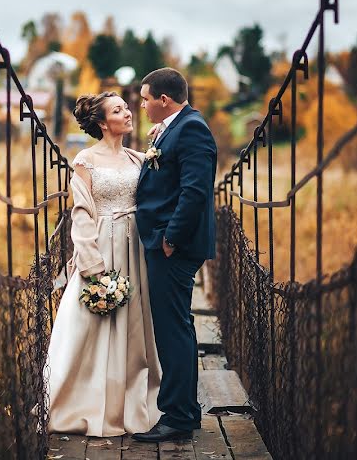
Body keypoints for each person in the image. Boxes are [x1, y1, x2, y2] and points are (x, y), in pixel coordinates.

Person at [46, 91, 162, 437]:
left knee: (135, 325)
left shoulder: (138, 158)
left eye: (127, 108)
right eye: (118, 110)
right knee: (92, 325)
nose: (128, 113)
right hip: (102, 244)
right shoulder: (85, 160)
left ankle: (131, 400)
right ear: (101, 122)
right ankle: (84, 402)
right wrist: (92, 265)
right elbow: (80, 212)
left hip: (136, 248)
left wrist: (163, 141)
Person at [132, 67, 218, 443]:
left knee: (172, 330)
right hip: (168, 244)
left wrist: (171, 238)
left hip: (173, 247)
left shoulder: (193, 128)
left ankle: (178, 417)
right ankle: (185, 410)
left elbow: (195, 190)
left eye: (146, 99)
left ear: (163, 100)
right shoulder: (179, 126)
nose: (143, 106)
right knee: (175, 327)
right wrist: (162, 137)